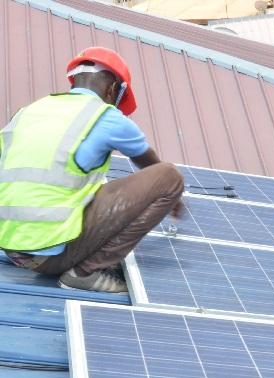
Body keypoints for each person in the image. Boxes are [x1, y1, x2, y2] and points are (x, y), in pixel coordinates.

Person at [0, 47, 183, 294]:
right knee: (169, 178)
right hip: (52, 255)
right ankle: (84, 272)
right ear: (113, 90)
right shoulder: (106, 116)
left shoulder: (28, 112)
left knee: (87, 184)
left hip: (14, 252)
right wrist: (175, 203)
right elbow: (154, 167)